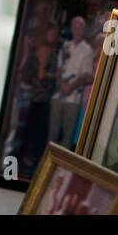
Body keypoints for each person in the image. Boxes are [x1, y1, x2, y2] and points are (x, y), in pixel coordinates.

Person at [48, 14, 95, 149]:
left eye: (80, 28)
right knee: (52, 136)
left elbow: (87, 76)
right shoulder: (65, 46)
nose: (77, 31)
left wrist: (70, 87)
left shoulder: (87, 50)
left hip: (73, 99)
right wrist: (61, 84)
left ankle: (62, 169)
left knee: (67, 140)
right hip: (58, 95)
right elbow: (58, 70)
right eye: (75, 28)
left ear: (84, 30)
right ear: (71, 29)